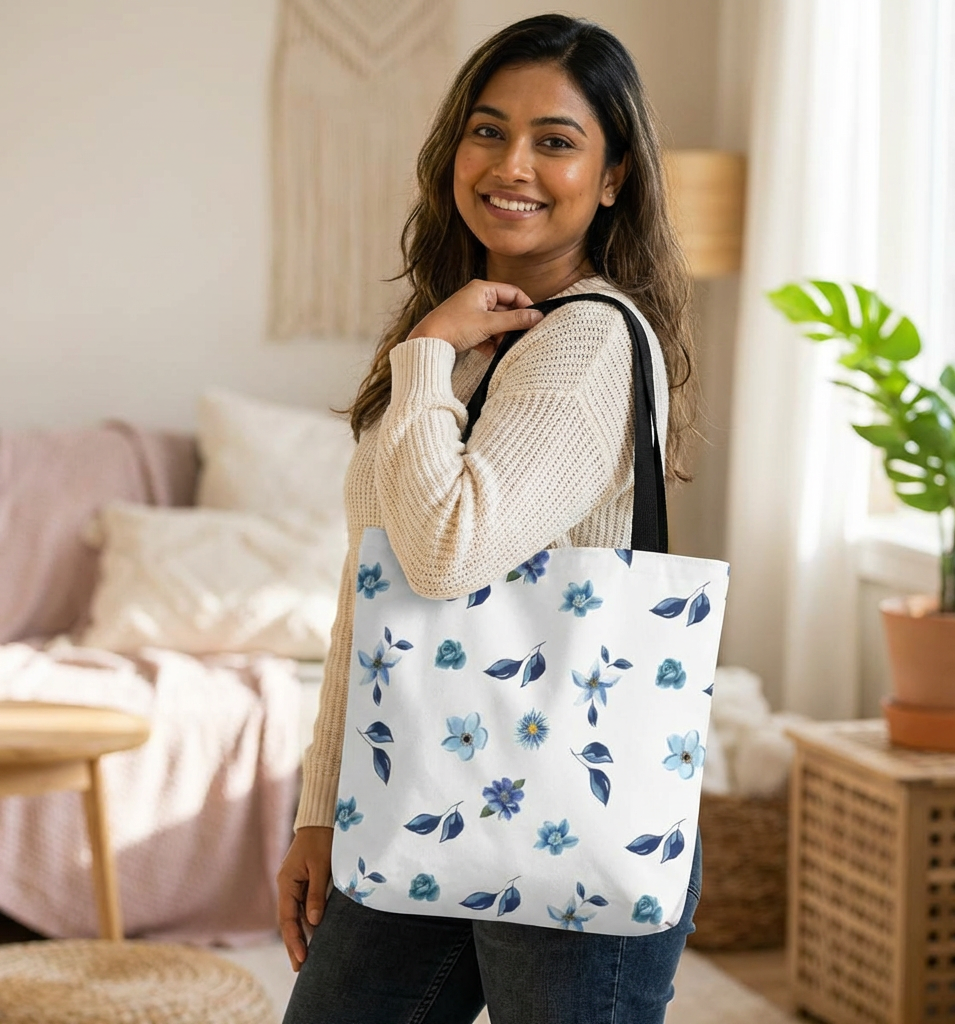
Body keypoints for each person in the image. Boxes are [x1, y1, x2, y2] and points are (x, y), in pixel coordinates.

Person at [278, 13, 701, 1024]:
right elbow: (369, 585)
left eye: (556, 140)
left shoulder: (584, 342)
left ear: (612, 177)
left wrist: (423, 347)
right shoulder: (471, 341)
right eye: (487, 129)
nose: (512, 163)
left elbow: (439, 554)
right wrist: (320, 807)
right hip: (419, 783)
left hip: (562, 807)